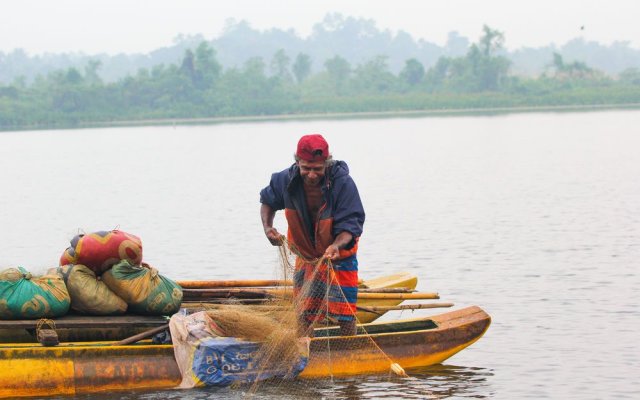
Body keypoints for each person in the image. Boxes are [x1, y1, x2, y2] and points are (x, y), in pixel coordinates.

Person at [259, 134, 365, 336]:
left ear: (327, 163)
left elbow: (351, 225)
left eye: (318, 169)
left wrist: (336, 245)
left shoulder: (343, 183)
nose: (312, 174)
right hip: (306, 254)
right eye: (306, 168)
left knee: (345, 311)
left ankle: (350, 347)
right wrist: (267, 227)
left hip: (338, 256)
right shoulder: (285, 180)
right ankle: (305, 348)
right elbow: (267, 201)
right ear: (297, 162)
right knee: (304, 311)